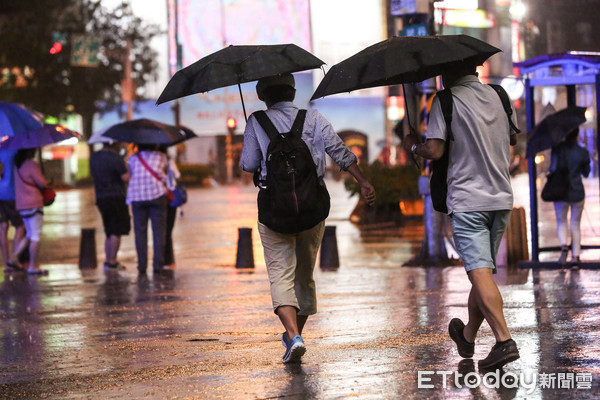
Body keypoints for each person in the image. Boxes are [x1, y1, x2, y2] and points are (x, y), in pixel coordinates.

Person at [240, 73, 376, 364]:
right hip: (312, 208)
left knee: (281, 274)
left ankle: (293, 336)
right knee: (304, 275)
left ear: (264, 96)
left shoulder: (256, 121)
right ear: (292, 92)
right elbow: (340, 152)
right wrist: (363, 182)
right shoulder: (313, 118)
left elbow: (249, 164)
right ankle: (294, 336)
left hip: (274, 210)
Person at [403, 63, 520, 370]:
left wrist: (413, 145)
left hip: (468, 201)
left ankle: (504, 341)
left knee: (479, 273)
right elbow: (513, 139)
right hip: (501, 198)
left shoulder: (445, 100)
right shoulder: (500, 95)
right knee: (482, 273)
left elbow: (436, 150)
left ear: (447, 73)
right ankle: (467, 336)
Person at [549, 128, 591, 264]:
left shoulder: (557, 150)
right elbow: (585, 173)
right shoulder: (582, 152)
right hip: (577, 192)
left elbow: (552, 169)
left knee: (561, 221)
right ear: (577, 133)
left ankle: (563, 247)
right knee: (575, 223)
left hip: (560, 191)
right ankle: (576, 256)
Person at [126, 143, 168, 275]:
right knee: (159, 231)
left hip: (137, 197)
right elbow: (164, 175)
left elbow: (131, 175)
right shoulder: (161, 156)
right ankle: (158, 265)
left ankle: (142, 265)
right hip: (157, 195)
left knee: (140, 232)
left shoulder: (132, 158)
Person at [89, 141, 131, 270]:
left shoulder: (94, 157)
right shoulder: (116, 158)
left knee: (109, 230)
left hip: (101, 197)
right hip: (116, 196)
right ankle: (112, 261)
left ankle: (108, 260)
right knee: (116, 230)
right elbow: (126, 178)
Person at [11, 148, 50, 275]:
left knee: (29, 234)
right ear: (29, 151)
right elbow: (42, 183)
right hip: (34, 203)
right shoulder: (31, 165)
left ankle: (14, 257)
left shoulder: (16, 165)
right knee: (35, 236)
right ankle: (33, 265)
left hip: (22, 204)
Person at [0, 148, 26, 271]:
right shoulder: (17, 151)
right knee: (20, 226)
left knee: (3, 228)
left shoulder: (0, 151)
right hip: (13, 193)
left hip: (0, 194)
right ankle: (13, 259)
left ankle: (6, 263)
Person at [163, 145, 181, 270]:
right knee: (168, 230)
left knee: (160, 230)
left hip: (158, 196)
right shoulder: (169, 161)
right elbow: (178, 176)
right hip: (171, 197)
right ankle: (169, 260)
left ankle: (162, 259)